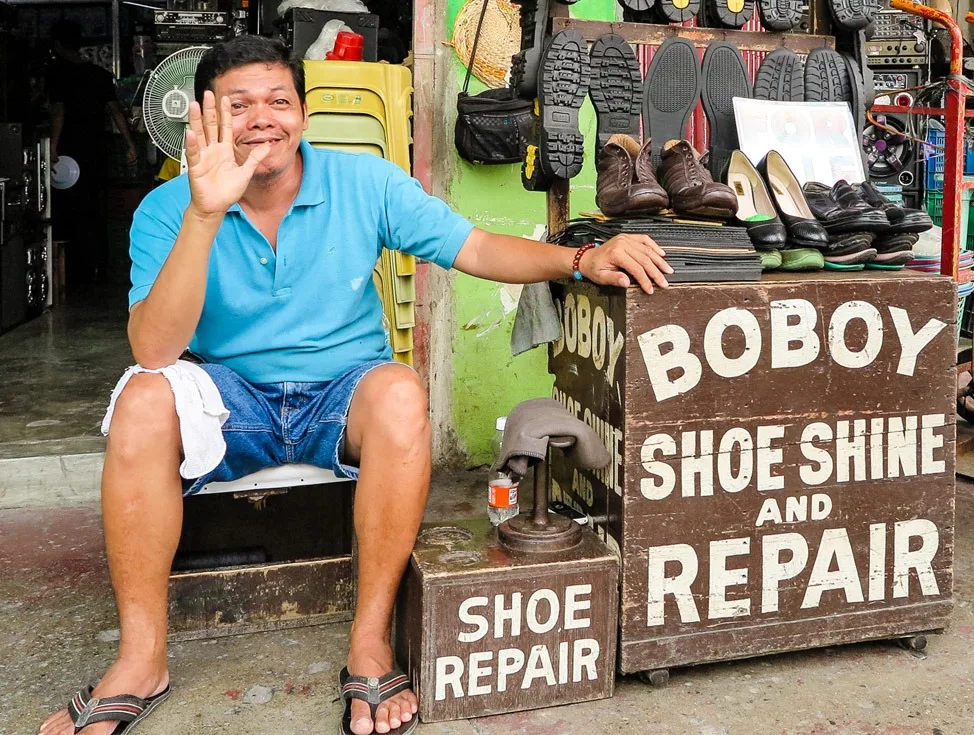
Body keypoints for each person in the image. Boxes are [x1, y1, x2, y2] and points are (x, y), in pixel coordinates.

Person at [38, 36, 670, 735]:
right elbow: (154, 349)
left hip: (340, 393)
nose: (262, 120)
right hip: (229, 398)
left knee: (400, 391)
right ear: (204, 119)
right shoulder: (166, 210)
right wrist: (204, 211)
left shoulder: (362, 182)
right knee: (139, 398)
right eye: (240, 105)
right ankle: (141, 657)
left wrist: (583, 258)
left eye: (279, 102)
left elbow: (474, 246)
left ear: (303, 116)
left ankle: (370, 641)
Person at [46, 19, 139, 284]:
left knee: (69, 209)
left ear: (58, 45)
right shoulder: (99, 74)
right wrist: (129, 144)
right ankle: (98, 263)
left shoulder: (57, 73)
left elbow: (58, 110)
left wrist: (52, 146)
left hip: (69, 154)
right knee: (96, 206)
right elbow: (115, 111)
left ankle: (75, 268)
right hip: (96, 150)